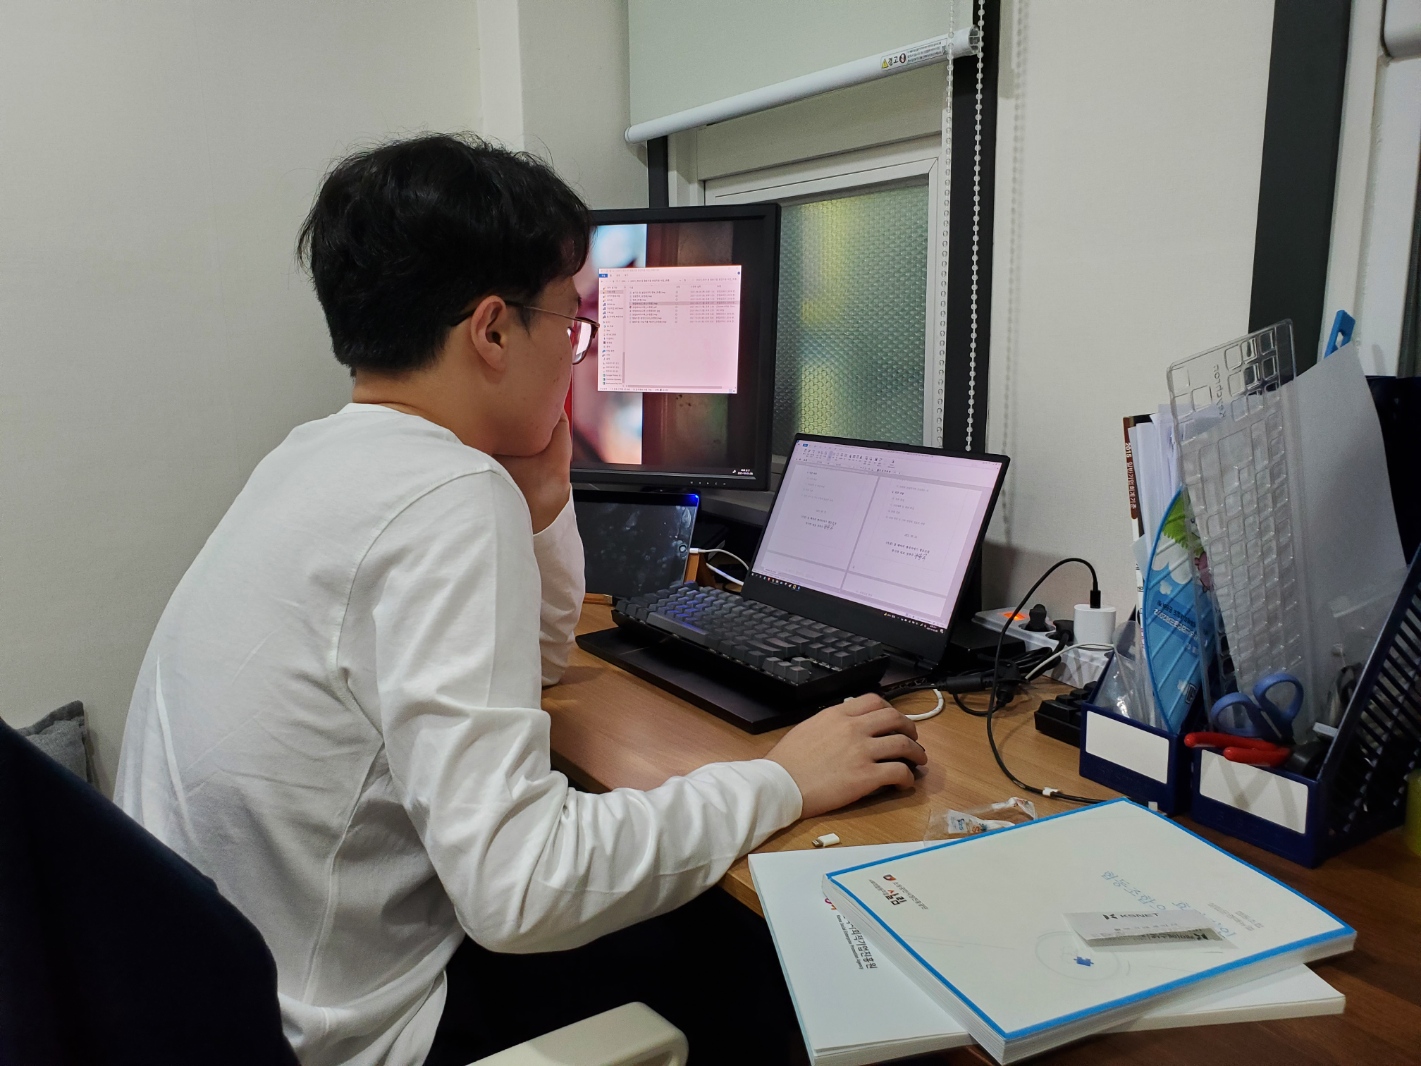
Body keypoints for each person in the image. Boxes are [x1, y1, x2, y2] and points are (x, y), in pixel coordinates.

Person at [114, 134, 926, 1066]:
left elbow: (529, 670)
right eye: (573, 325)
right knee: (749, 948)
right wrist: (783, 779)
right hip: (349, 1033)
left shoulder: (315, 457)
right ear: (493, 332)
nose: (577, 356)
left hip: (223, 1001)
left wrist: (539, 507)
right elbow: (521, 890)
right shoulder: (445, 497)